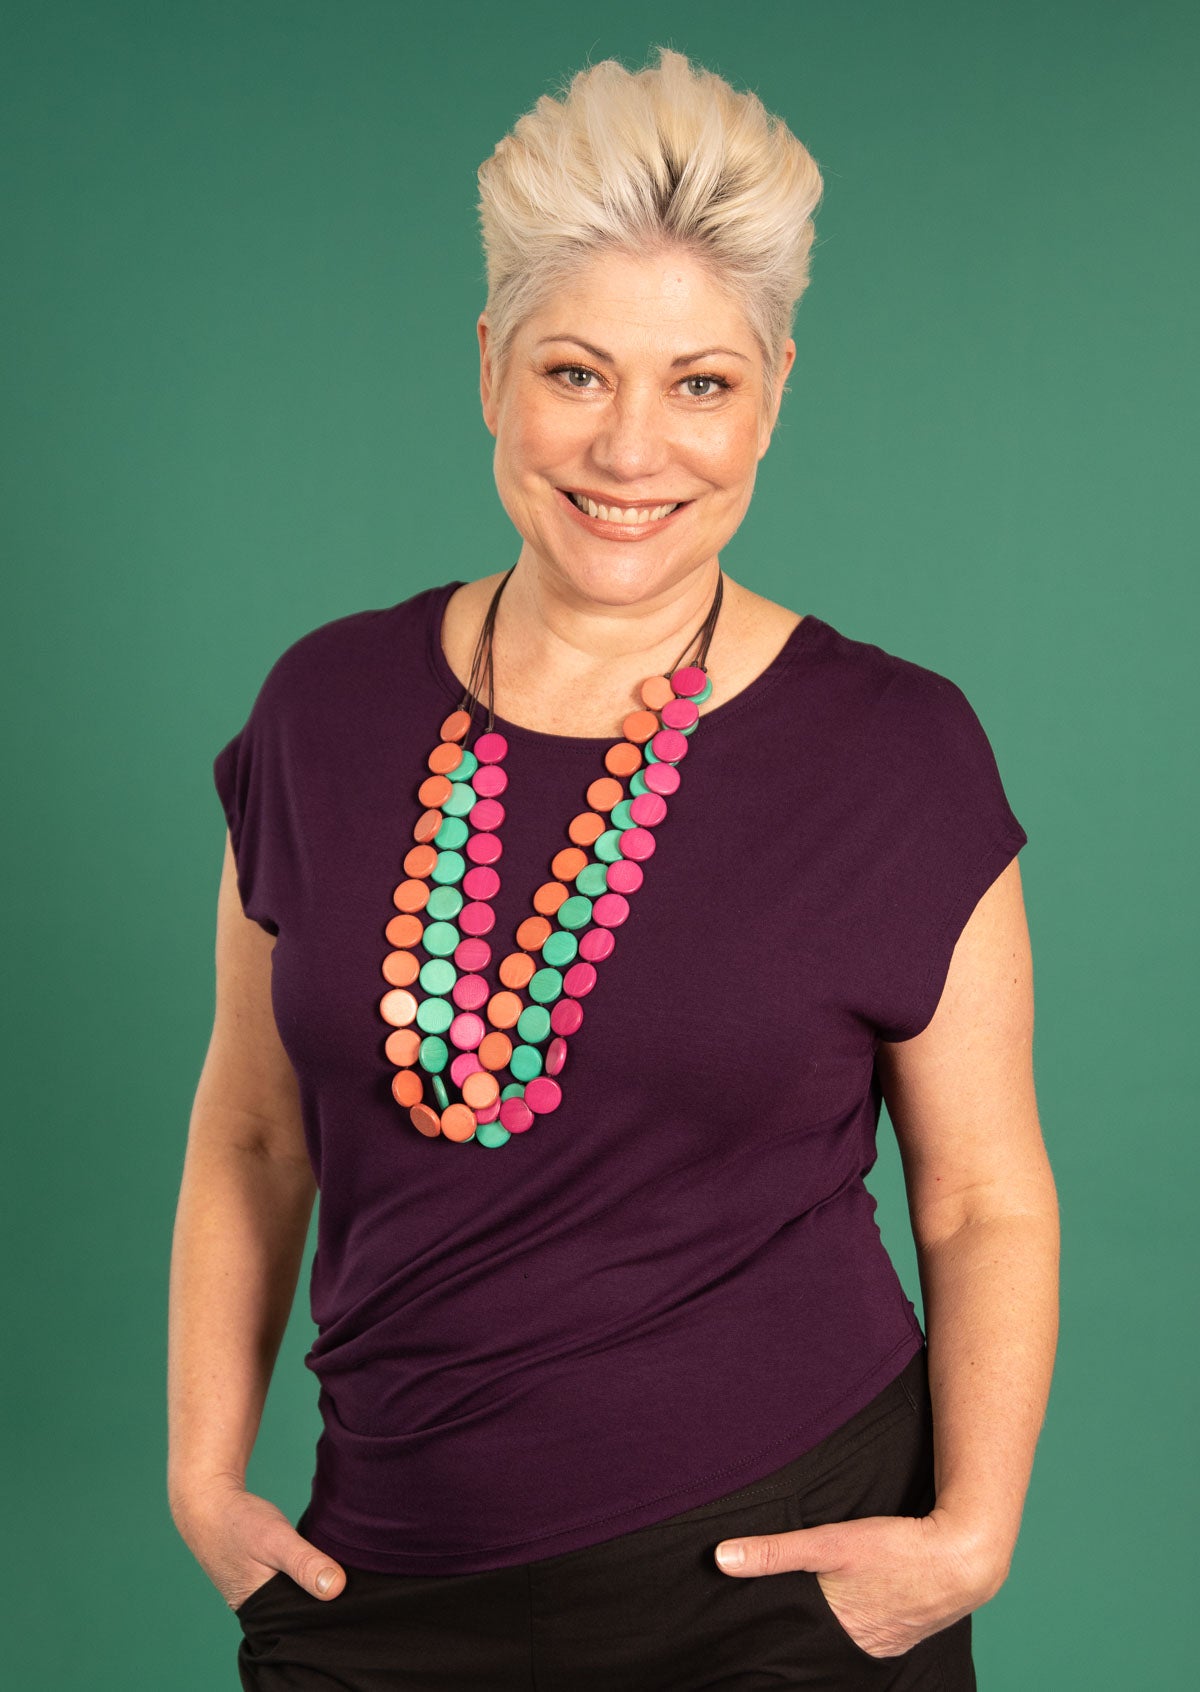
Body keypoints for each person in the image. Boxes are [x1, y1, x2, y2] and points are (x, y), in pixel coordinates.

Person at [168, 44, 1059, 1692]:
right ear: (491, 367)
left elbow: (986, 1191)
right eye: (577, 372)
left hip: (780, 1590)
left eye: (701, 383)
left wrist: (973, 1533)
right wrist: (202, 1476)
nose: (632, 449)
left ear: (777, 388)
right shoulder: (324, 709)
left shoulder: (898, 748)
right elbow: (248, 1124)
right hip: (384, 1580)